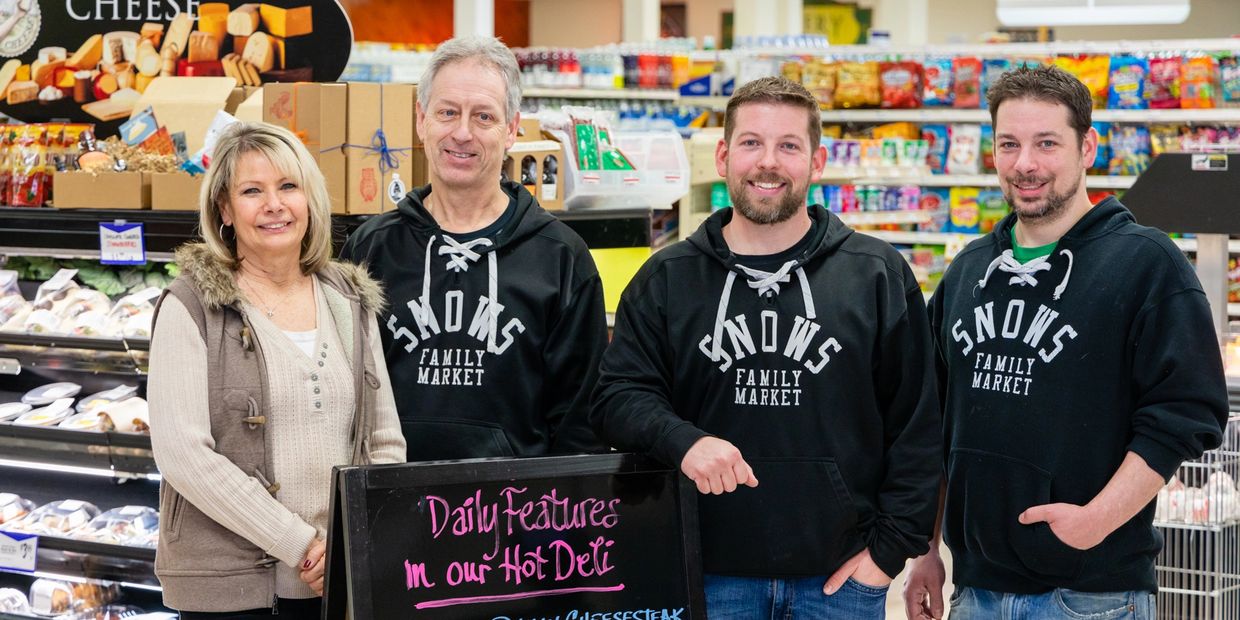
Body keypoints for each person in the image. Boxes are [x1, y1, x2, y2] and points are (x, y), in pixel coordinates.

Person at [591, 75, 941, 619]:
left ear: (818, 161)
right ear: (724, 156)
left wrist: (888, 554)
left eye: (789, 146)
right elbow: (617, 397)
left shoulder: (876, 274)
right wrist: (683, 440)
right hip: (706, 576)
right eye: (752, 143)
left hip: (842, 582)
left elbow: (918, 424)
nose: (768, 162)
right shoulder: (668, 276)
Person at [904, 64, 1228, 620]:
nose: (1025, 164)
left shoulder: (1147, 264)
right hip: (974, 592)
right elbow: (933, 423)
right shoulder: (968, 271)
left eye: (1046, 143)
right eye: (1009, 144)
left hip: (1092, 597)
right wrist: (927, 552)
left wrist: (1096, 521)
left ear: (1088, 148)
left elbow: (1186, 413)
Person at [148, 121, 406, 617]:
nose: (274, 204)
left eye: (288, 186)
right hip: (230, 590)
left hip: (340, 580)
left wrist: (355, 539)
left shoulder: (349, 299)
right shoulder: (191, 306)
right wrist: (303, 545)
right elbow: (183, 455)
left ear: (309, 198)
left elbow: (385, 441)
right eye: (251, 191)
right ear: (224, 208)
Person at [339, 36, 607, 461]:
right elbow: (342, 396)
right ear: (422, 119)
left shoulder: (560, 257)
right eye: (447, 112)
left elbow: (579, 424)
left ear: (511, 129)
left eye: (483, 116)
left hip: (516, 512)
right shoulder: (371, 248)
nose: (462, 133)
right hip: (388, 507)